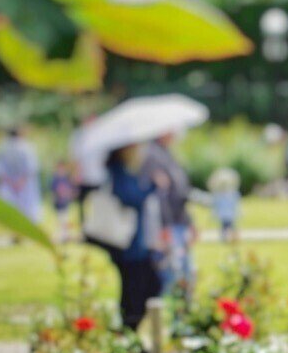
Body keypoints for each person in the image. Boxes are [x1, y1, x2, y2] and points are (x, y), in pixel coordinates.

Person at [84, 143, 164, 331]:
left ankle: (129, 330)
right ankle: (128, 330)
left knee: (141, 287)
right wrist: (152, 186)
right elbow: (130, 198)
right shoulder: (117, 173)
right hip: (128, 246)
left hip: (133, 244)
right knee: (138, 289)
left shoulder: (123, 172)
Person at [142, 133, 195, 300]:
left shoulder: (167, 154)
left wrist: (189, 222)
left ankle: (182, 315)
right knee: (173, 275)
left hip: (179, 222)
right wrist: (163, 228)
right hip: (168, 225)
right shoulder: (152, 156)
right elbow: (159, 197)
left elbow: (180, 192)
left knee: (185, 274)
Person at [0, 126, 43, 225]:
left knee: (13, 209)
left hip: (10, 184)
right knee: (28, 210)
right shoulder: (27, 147)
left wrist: (11, 182)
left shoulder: (3, 148)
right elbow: (32, 167)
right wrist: (21, 182)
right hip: (24, 184)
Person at [205, 167, 241, 243]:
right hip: (224, 215)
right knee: (225, 227)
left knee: (231, 227)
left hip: (230, 215)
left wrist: (238, 212)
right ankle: (224, 239)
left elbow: (235, 205)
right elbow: (216, 206)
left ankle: (233, 238)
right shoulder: (218, 196)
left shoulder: (232, 194)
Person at [49, 160, 77, 243]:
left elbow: (71, 190)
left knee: (65, 219)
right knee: (60, 219)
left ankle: (65, 235)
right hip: (58, 203)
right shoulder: (55, 179)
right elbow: (53, 191)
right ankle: (60, 234)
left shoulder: (66, 179)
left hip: (65, 203)